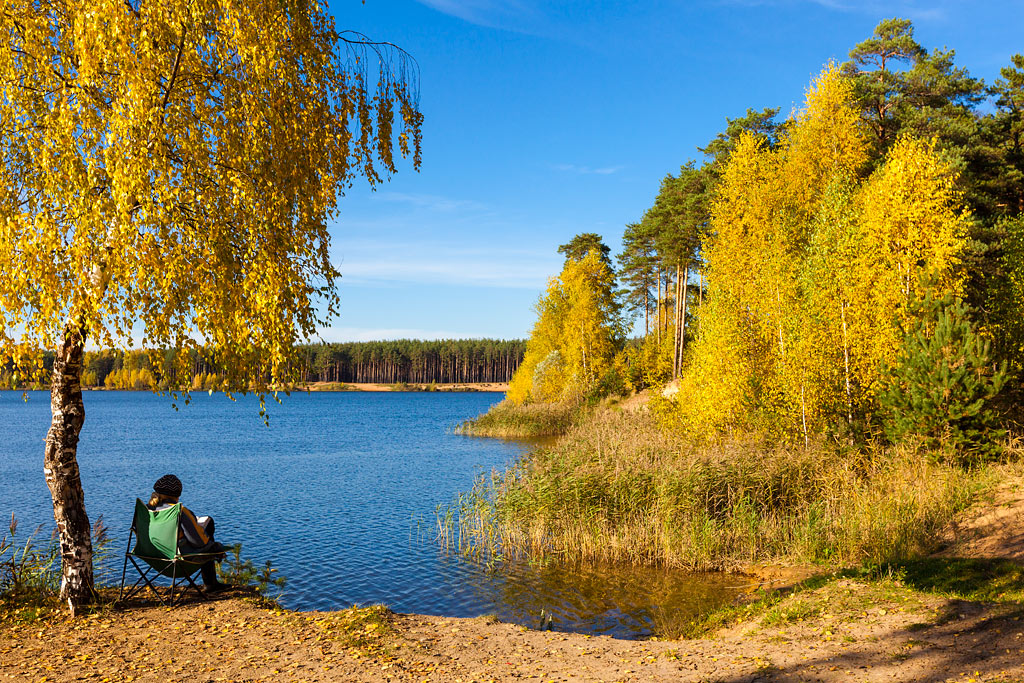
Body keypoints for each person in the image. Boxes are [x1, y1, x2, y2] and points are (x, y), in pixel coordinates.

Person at [147, 474, 229, 593]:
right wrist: (215, 547)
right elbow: (198, 542)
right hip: (180, 558)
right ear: (178, 495)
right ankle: (210, 583)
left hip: (155, 556)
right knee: (208, 523)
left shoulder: (146, 510)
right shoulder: (179, 511)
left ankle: (211, 582)